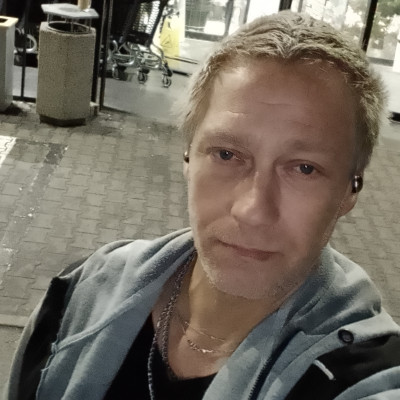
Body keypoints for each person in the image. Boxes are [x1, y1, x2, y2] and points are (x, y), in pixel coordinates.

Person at [5, 10, 400, 400]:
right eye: (227, 154)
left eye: (304, 168)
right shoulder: (79, 297)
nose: (253, 209)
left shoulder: (366, 375)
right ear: (188, 157)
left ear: (350, 190)